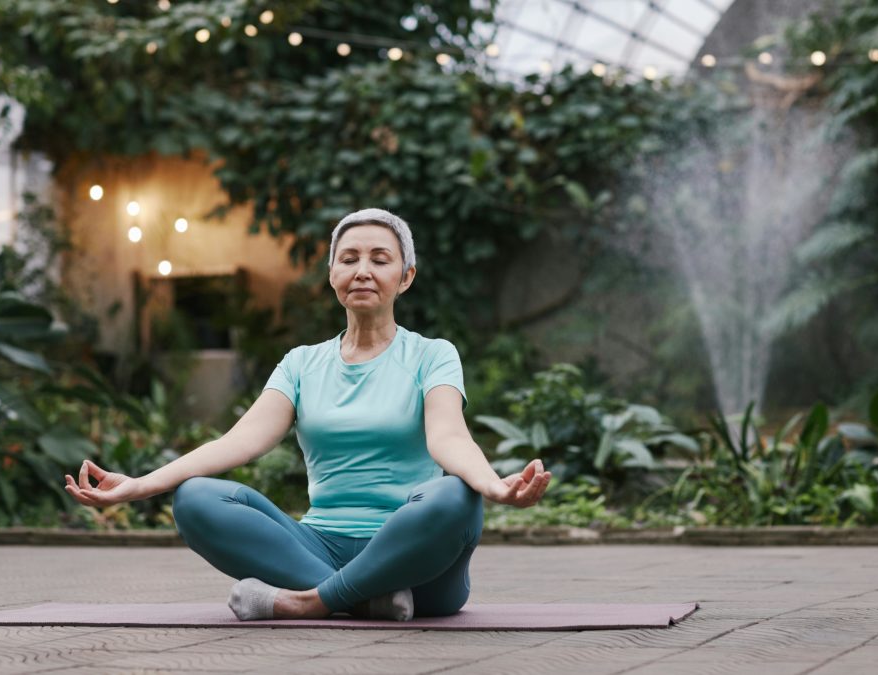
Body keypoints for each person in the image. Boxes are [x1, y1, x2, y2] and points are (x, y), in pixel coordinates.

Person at [64, 208, 552, 621]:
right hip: (316, 546)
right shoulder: (301, 363)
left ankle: (306, 603)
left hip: (418, 565)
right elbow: (239, 442)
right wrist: (141, 485)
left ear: (405, 278)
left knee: (456, 497)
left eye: (380, 260)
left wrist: (493, 486)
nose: (363, 270)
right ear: (333, 274)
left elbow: (448, 438)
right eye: (349, 259)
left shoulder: (433, 355)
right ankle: (365, 599)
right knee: (194, 499)